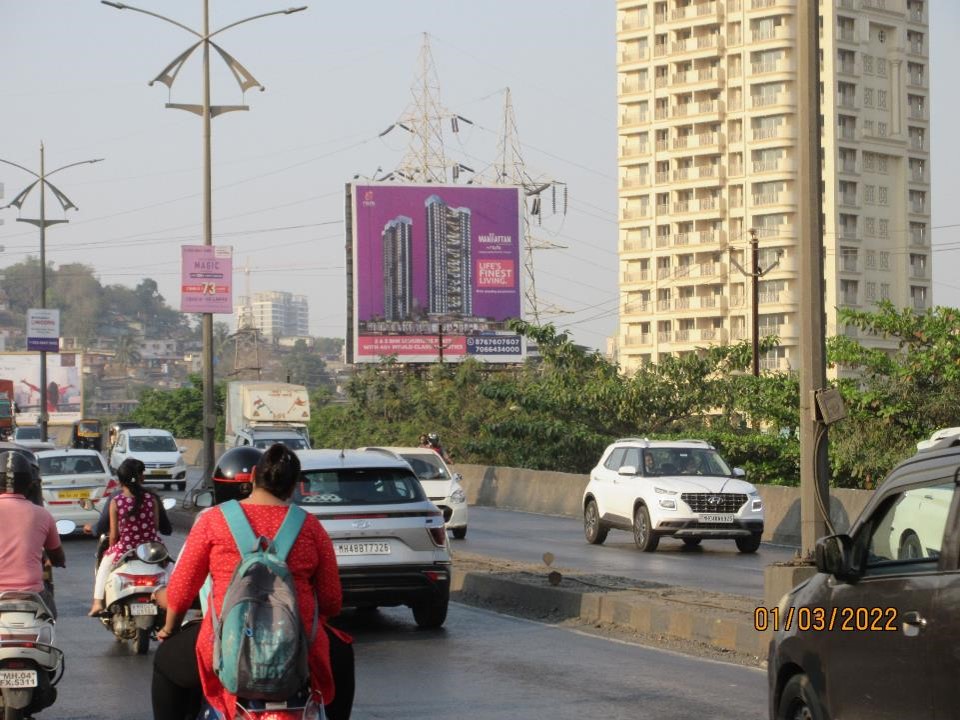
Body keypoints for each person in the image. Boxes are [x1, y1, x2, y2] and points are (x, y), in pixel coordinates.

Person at [154, 445, 351, 720]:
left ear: (253, 475)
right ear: (294, 485)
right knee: (342, 656)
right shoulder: (311, 527)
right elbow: (332, 600)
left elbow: (181, 591)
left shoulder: (213, 521)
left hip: (223, 647)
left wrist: (169, 628)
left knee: (165, 665)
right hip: (300, 650)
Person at [88, 456, 162, 616]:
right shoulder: (152, 499)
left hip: (126, 549)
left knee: (103, 567)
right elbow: (155, 527)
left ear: (121, 481)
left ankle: (97, 603)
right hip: (151, 549)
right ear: (141, 478)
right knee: (171, 568)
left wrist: (111, 549)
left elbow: (114, 534)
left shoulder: (117, 501)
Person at [0, 451, 65, 615]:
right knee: (51, 618)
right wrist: (58, 561)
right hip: (32, 595)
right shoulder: (42, 514)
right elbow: (57, 555)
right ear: (30, 484)